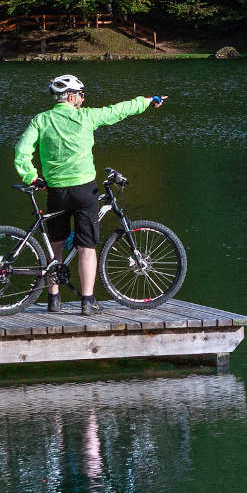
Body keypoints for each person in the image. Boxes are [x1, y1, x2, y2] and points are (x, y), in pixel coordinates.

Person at [14, 73, 166, 316]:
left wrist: (30, 177)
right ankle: (87, 301)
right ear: (71, 97)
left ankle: (54, 299)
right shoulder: (86, 117)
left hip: (56, 190)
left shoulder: (40, 120)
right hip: (84, 190)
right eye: (81, 95)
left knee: (56, 246)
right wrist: (147, 100)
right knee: (86, 247)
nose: (83, 100)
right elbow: (117, 110)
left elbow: (22, 151)